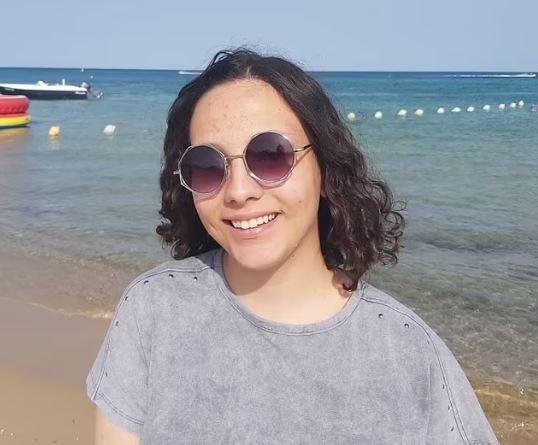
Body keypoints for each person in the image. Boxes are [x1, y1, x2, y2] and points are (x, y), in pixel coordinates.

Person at [86, 48, 499, 444]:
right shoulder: (154, 308)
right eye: (208, 166)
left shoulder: (406, 351)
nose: (239, 192)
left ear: (326, 169)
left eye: (270, 155)